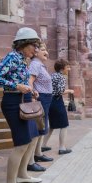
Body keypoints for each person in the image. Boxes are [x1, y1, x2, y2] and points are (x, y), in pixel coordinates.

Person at [0, 27, 42, 183]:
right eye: (34, 45)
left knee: (30, 138)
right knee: (21, 143)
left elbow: (19, 80)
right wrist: (17, 86)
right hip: (12, 102)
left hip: (22, 101)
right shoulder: (12, 57)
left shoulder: (23, 59)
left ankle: (22, 175)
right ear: (24, 44)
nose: (36, 50)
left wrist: (30, 90)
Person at [27, 42, 53, 172]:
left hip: (45, 98)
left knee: (42, 128)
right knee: (37, 130)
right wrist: (32, 94)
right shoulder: (35, 64)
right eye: (43, 50)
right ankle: (30, 161)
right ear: (35, 52)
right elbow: (29, 81)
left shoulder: (40, 65)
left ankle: (38, 154)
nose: (46, 52)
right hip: (40, 98)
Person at [42, 60, 74, 155]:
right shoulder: (61, 77)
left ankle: (42, 146)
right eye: (67, 67)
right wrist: (69, 91)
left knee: (52, 125)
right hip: (56, 101)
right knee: (64, 125)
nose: (69, 69)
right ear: (62, 68)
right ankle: (62, 148)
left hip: (50, 101)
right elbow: (60, 91)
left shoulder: (53, 75)